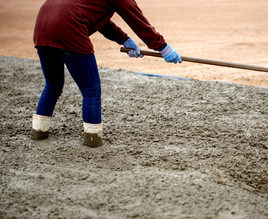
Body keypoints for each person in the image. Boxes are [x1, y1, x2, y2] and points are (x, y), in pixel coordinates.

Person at [31, 0, 182, 148]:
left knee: (53, 85)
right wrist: (161, 46)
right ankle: (92, 140)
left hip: (42, 28)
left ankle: (39, 132)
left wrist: (124, 39)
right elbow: (133, 14)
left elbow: (95, 18)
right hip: (70, 28)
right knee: (91, 90)